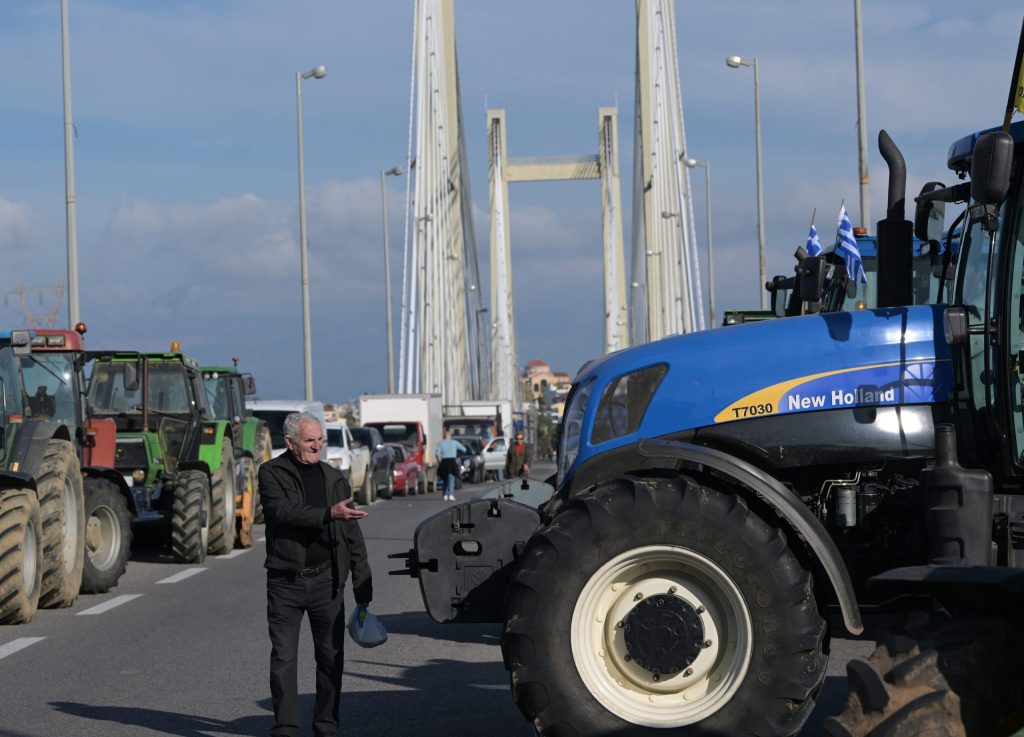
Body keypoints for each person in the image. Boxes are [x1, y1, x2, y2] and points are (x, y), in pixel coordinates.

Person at [258, 411, 372, 737]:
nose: (317, 446)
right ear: (290, 441)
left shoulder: (334, 477)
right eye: (310, 440)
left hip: (327, 582)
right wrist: (327, 514)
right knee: (283, 660)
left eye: (320, 439)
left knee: (331, 660)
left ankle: (326, 727)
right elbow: (282, 512)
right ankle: (286, 728)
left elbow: (352, 535)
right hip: (285, 582)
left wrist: (364, 587)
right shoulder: (271, 473)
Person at [435, 429, 466, 501]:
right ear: (450, 436)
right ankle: (451, 494)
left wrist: (439, 462)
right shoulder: (454, 442)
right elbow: (464, 449)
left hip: (444, 461)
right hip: (452, 461)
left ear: (444, 436)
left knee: (444, 478)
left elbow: (437, 454)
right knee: (451, 478)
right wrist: (458, 455)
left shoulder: (440, 443)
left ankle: (445, 494)